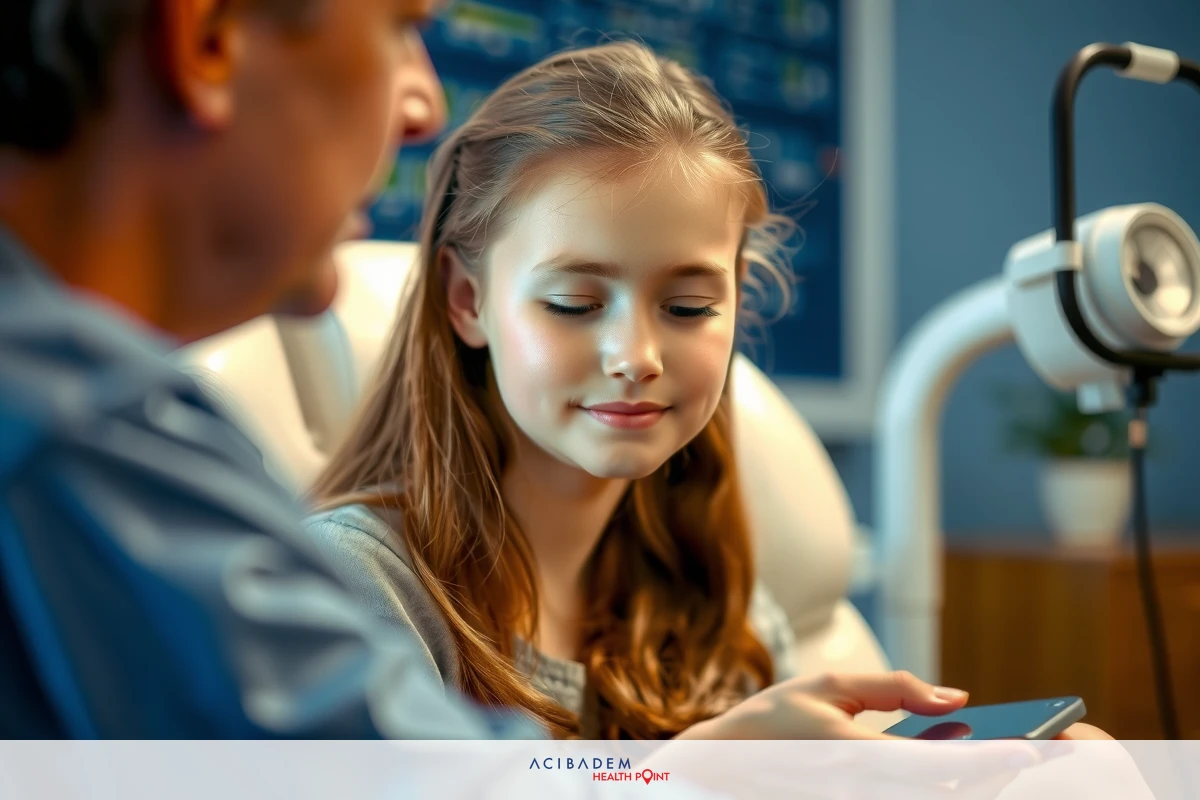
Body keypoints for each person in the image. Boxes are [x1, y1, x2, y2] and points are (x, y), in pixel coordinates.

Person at [0, 0, 1105, 749]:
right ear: (466, 300)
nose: (421, 102)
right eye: (398, 27)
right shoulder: (75, 441)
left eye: (689, 304)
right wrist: (694, 773)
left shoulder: (710, 581)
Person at [299, 40, 1109, 744]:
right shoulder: (358, 591)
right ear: (467, 301)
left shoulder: (715, 605)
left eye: (688, 308)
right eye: (575, 304)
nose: (638, 356)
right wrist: (674, 773)